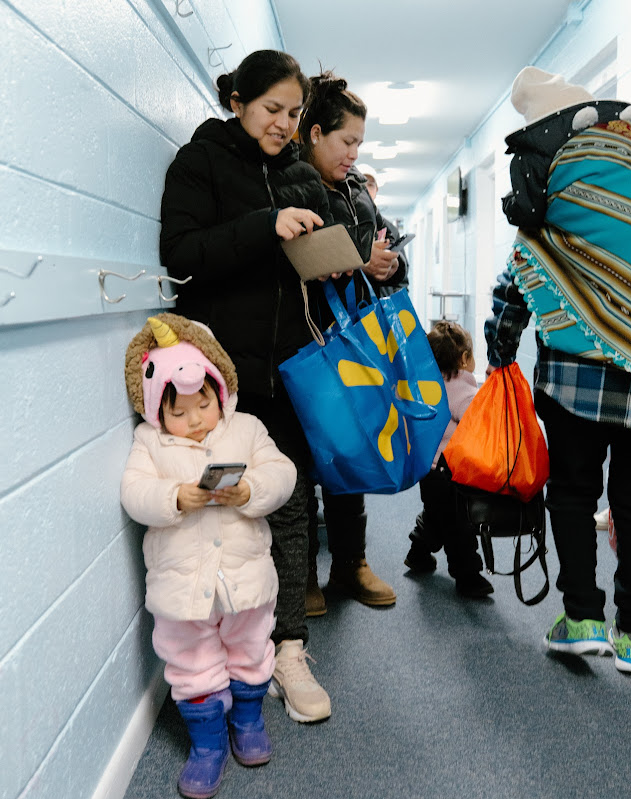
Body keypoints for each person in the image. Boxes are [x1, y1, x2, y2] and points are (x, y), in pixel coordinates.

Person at [159, 50, 332, 722]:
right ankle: (218, 656)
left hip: (293, 371)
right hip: (223, 380)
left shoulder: (304, 176)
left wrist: (344, 261)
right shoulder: (200, 162)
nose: (284, 124)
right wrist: (266, 224)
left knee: (290, 505)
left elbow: (315, 267)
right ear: (236, 101)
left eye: (294, 112)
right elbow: (182, 254)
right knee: (221, 510)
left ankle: (289, 648)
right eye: (271, 109)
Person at [486, 66, 631, 673]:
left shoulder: (547, 206)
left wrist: (499, 357)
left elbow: (513, 291)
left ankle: (582, 619)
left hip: (571, 382)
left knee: (573, 495)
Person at [121, 314, 297, 798]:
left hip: (246, 579)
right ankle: (207, 742)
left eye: (205, 404)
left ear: (221, 391)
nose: (196, 419)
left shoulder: (247, 429)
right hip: (182, 588)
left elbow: (283, 473)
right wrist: (174, 497)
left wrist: (250, 490)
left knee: (251, 647)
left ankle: (247, 718)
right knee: (190, 660)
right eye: (180, 412)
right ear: (157, 410)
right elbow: (134, 493)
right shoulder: (149, 443)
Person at [298, 71, 406, 615]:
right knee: (304, 460)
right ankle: (303, 574)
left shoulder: (357, 187)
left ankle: (350, 563)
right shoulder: (292, 181)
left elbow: (388, 245)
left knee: (351, 445)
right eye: (347, 141)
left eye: (359, 143)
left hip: (357, 337)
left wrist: (388, 263)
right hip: (305, 335)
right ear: (316, 133)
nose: (354, 154)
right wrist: (361, 260)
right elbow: (299, 257)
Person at [404, 321, 493, 598]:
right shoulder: (463, 389)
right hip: (450, 474)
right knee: (459, 526)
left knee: (436, 514)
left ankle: (418, 552)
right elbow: (478, 423)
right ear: (464, 359)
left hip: (428, 471)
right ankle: (468, 576)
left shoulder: (428, 384)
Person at [359, 164, 410, 296]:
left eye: (370, 185)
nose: (366, 189)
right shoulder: (348, 224)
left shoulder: (389, 229)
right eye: (361, 184)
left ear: (377, 190)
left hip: (384, 300)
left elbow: (402, 280)